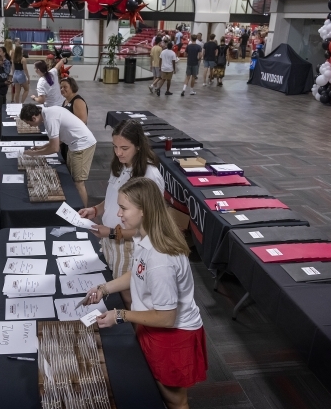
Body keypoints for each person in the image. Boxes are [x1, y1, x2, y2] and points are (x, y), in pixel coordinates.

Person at [83, 177, 207, 409]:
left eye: (123, 208)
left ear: (144, 210)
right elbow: (138, 272)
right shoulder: (146, 231)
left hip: (172, 334)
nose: (118, 214)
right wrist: (104, 288)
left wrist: (121, 315)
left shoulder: (161, 260)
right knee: (157, 388)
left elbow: (166, 317)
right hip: (154, 326)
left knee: (174, 400)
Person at [78, 120, 163, 306]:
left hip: (129, 245)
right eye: (115, 147)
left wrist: (111, 232)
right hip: (111, 240)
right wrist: (95, 209)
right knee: (114, 281)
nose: (118, 152)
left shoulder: (150, 176)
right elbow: (112, 198)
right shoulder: (121, 164)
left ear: (139, 146)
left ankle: (135, 328)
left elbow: (150, 227)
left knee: (128, 291)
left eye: (124, 148)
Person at [20, 105, 96, 207]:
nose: (29, 126)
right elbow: (57, 140)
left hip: (82, 145)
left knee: (79, 182)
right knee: (72, 178)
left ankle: (85, 214)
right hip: (75, 144)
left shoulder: (50, 119)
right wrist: (41, 148)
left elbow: (55, 149)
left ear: (34, 118)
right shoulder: (49, 112)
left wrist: (33, 154)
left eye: (28, 123)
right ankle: (77, 206)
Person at [60, 76, 88, 163]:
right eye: (61, 87)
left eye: (65, 87)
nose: (62, 89)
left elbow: (82, 121)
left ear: (72, 87)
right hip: (67, 138)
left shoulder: (77, 101)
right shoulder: (66, 100)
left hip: (75, 140)